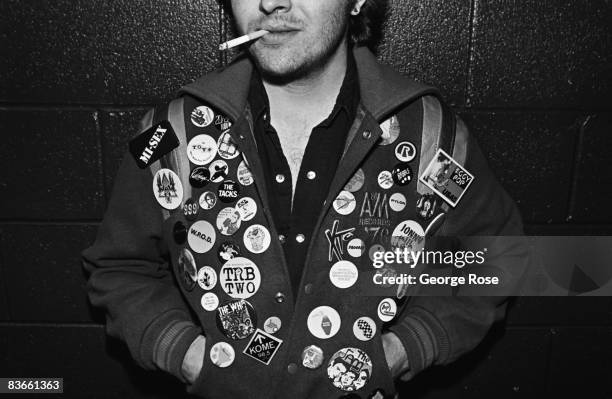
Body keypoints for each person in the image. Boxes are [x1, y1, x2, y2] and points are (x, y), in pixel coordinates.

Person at [82, 0, 526, 398]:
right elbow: (120, 266)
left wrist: (405, 349)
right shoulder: (168, 134)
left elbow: (495, 258)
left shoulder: (432, 133)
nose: (272, 2)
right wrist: (186, 354)